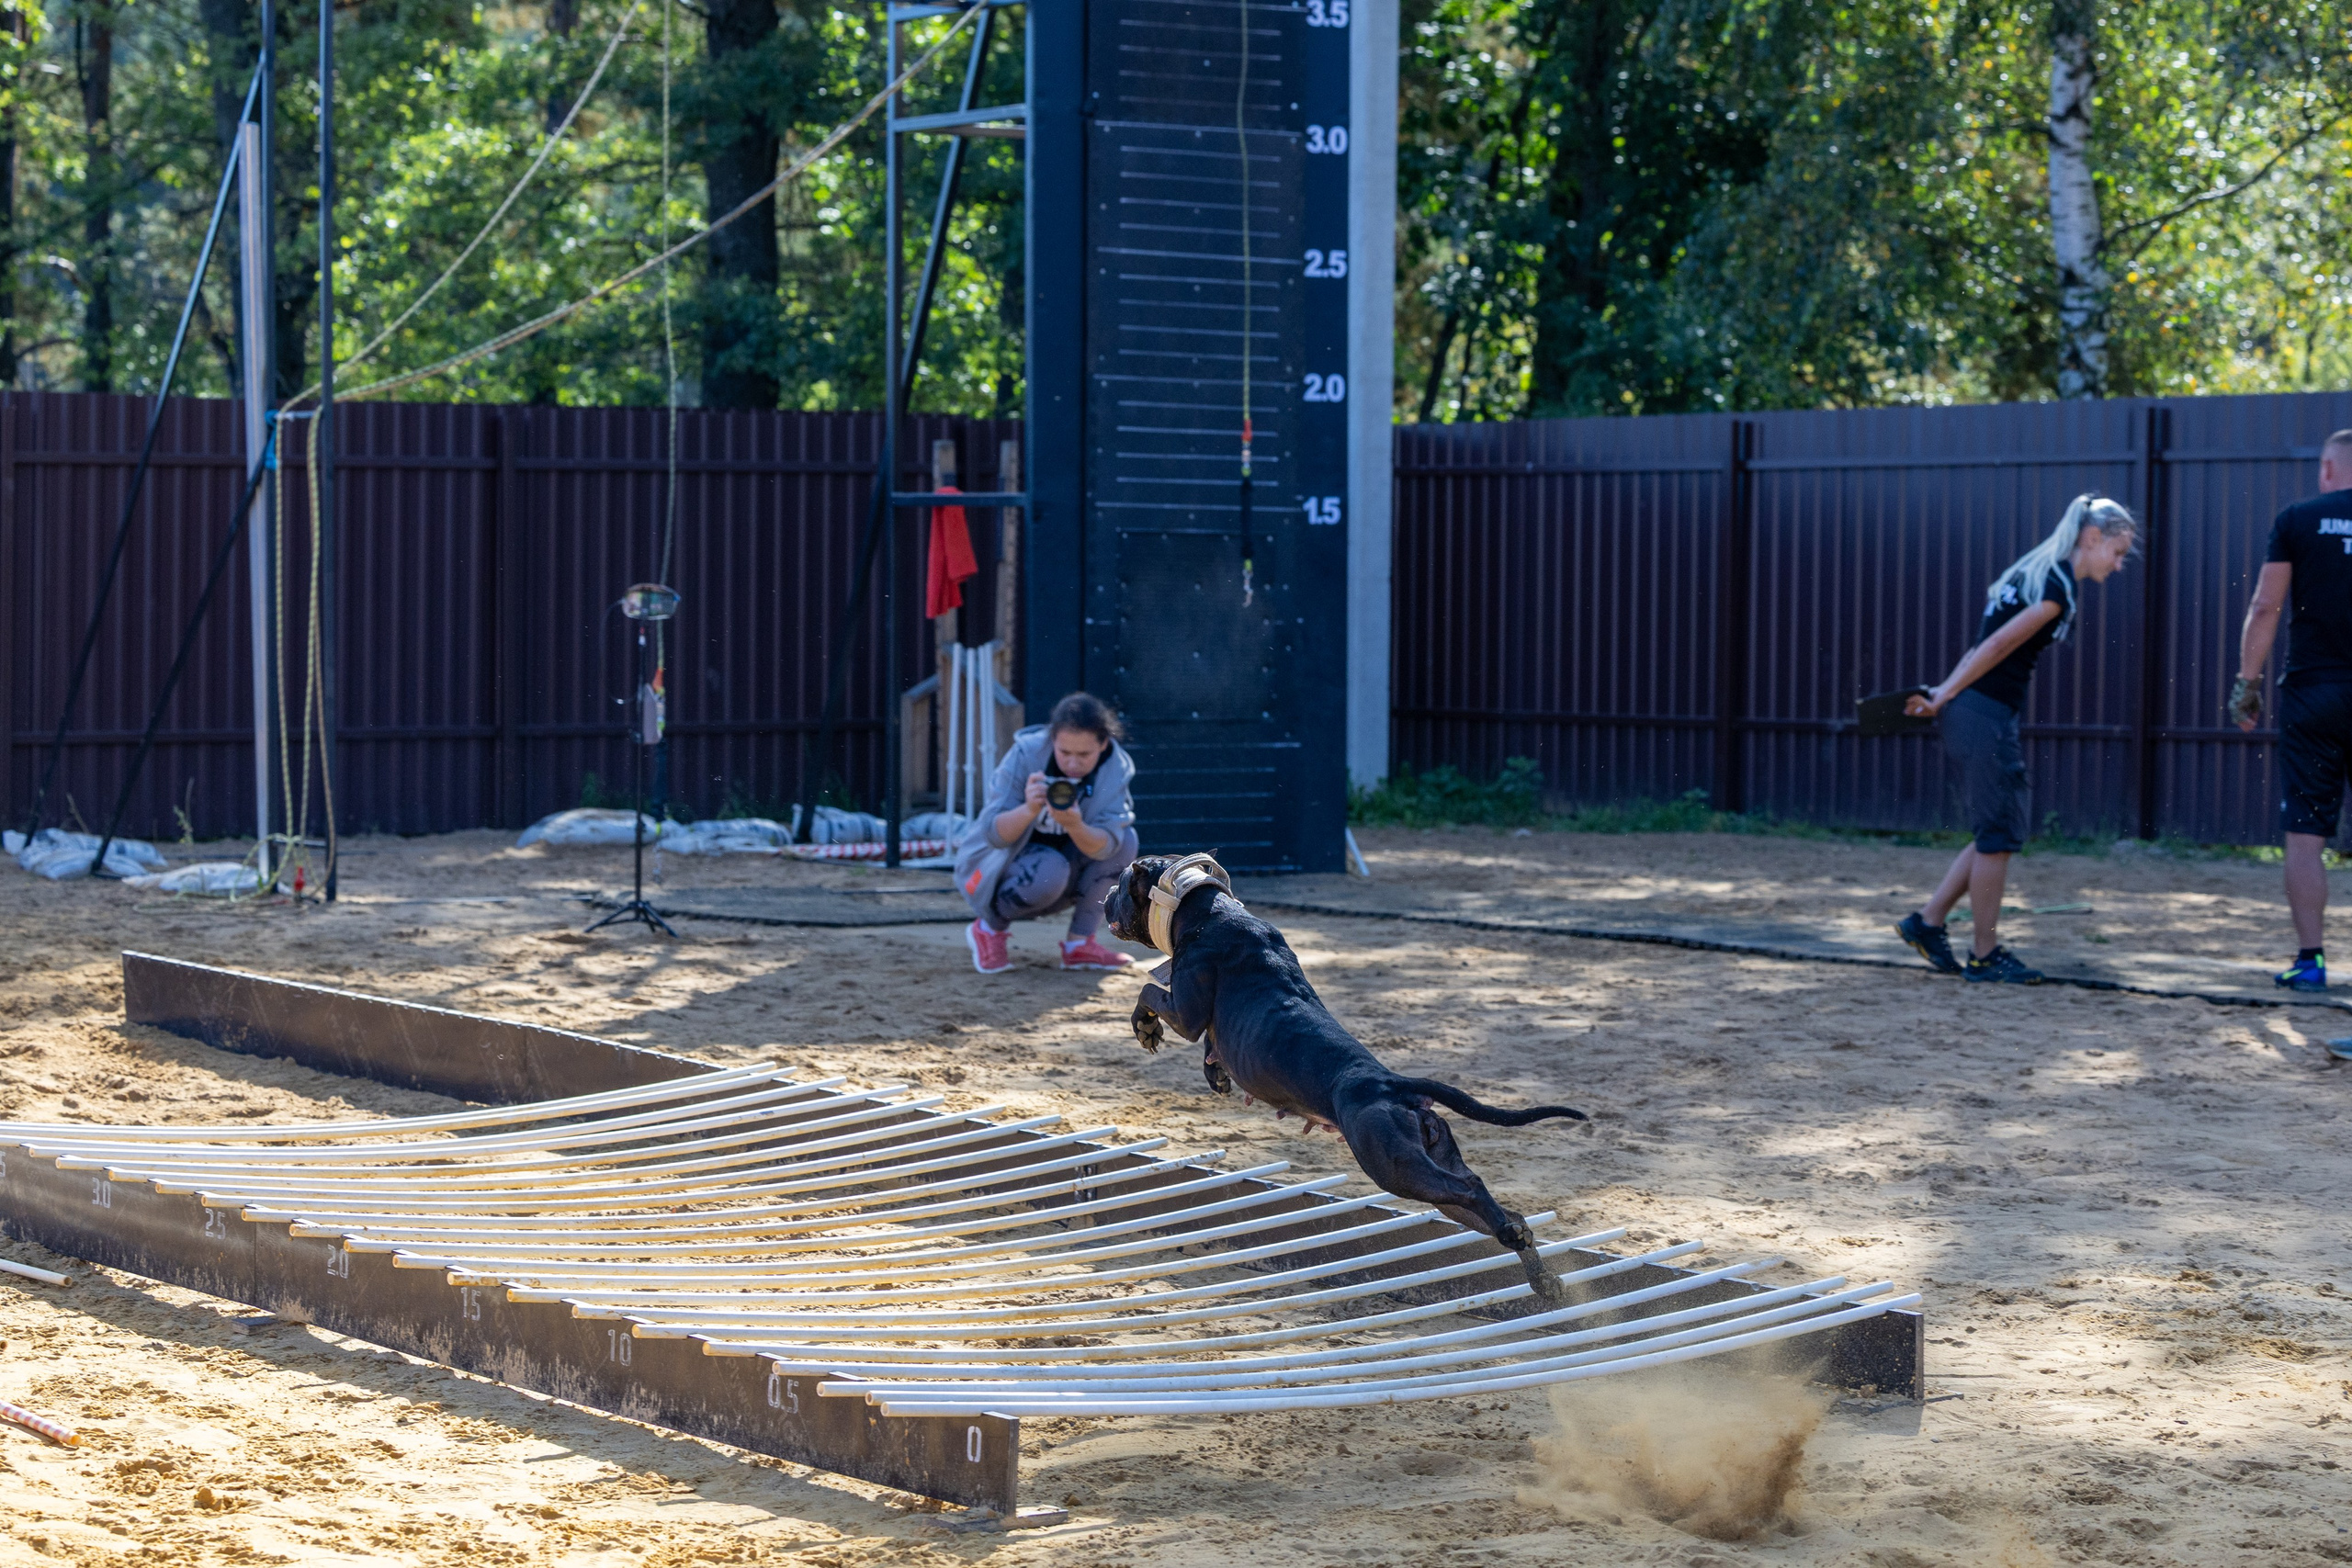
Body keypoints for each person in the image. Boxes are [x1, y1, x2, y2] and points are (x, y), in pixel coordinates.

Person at [1894, 494, 2138, 983]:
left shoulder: (2035, 572)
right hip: (1983, 717)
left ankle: (1927, 922)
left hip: (1978, 712)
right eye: (2117, 552)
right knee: (1998, 837)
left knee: (1995, 831)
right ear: (2092, 538)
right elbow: (1997, 644)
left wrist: (1945, 693)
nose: (2118, 565)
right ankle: (1985, 955)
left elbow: (1983, 645)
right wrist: (1944, 694)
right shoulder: (2056, 587)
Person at [2229, 429, 2352, 992]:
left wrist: (2246, 686)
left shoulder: (2298, 520)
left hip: (2314, 695)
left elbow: (2265, 606)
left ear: (2327, 467)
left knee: (2305, 835)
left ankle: (2310, 962)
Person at [955, 691, 1141, 975]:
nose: (1073, 764)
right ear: (1052, 739)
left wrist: (1075, 825)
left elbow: (1107, 846)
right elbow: (994, 835)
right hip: (998, 870)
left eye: (1084, 754)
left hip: (1062, 869)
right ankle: (989, 929)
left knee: (1126, 840)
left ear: (1104, 744)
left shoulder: (1116, 767)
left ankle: (1079, 944)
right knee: (1050, 869)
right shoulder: (1026, 754)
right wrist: (1029, 808)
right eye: (1064, 753)